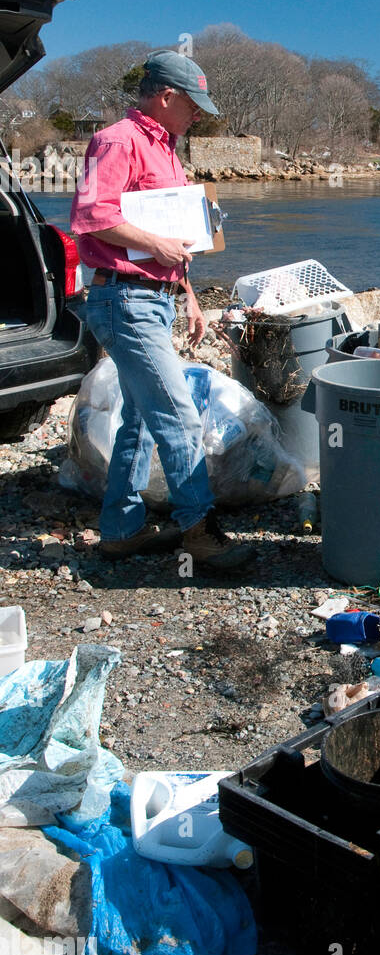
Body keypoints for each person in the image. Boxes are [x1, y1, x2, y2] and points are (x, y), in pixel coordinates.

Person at [70, 50, 255, 571]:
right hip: (123, 299)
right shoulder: (117, 140)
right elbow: (89, 215)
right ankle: (198, 528)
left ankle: (121, 530)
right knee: (176, 412)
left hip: (154, 298)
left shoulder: (168, 150)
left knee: (140, 417)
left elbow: (178, 238)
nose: (198, 114)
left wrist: (189, 292)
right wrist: (158, 246)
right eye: (192, 104)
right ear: (165, 95)